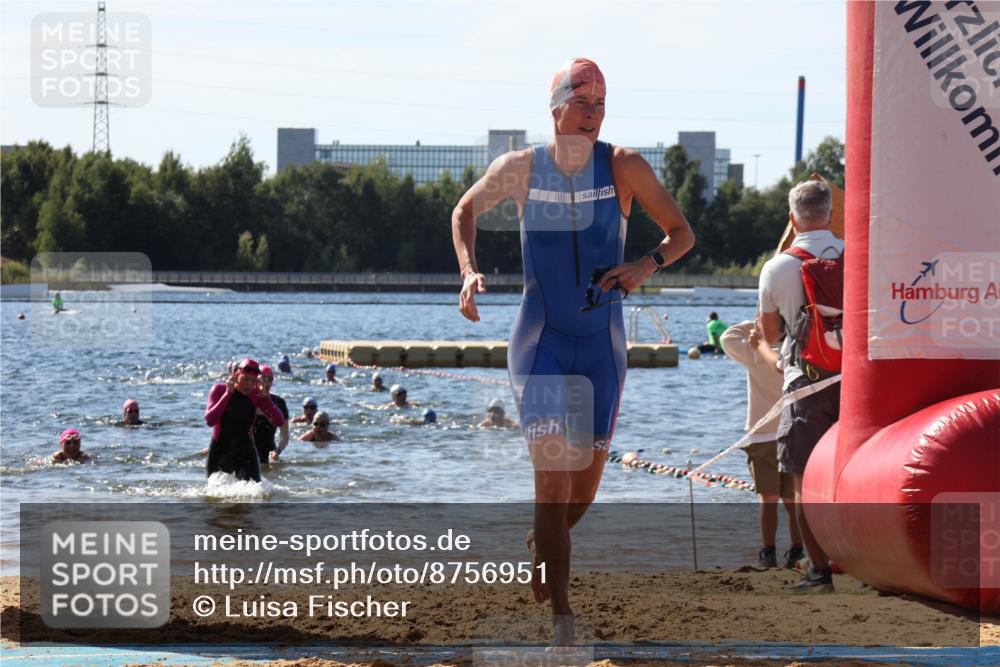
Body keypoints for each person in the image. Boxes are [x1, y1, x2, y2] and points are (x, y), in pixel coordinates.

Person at [451, 57, 694, 646]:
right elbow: (464, 211)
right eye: (583, 105)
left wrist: (645, 264)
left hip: (603, 346)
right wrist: (468, 272)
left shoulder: (625, 165)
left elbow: (682, 234)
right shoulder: (520, 168)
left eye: (601, 107)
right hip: (542, 341)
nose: (593, 117)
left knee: (581, 490)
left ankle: (544, 539)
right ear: (556, 108)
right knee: (552, 484)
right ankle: (563, 616)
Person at [758, 178, 843, 592]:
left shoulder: (776, 267)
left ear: (792, 219)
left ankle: (818, 570)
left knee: (801, 475)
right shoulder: (857, 255)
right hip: (856, 384)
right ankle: (862, 559)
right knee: (853, 472)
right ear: (829, 214)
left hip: (805, 381)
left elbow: (770, 335)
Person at [720, 321, 802, 569]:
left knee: (768, 499)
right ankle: (796, 550)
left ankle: (768, 551)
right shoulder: (792, 352)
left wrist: (754, 323)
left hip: (763, 435)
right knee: (792, 500)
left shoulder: (754, 352)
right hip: (792, 431)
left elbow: (727, 337)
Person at [203, 358, 285, 482]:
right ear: (236, 376)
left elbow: (279, 421)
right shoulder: (218, 390)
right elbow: (210, 420)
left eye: (253, 380)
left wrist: (265, 398)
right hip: (220, 450)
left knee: (256, 491)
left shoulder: (257, 394)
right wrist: (227, 394)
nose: (249, 384)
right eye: (245, 379)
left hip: (246, 451)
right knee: (216, 496)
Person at [253, 365, 290, 463]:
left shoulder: (279, 403)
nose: (266, 383)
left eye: (270, 379)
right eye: (263, 378)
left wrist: (277, 451)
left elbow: (284, 436)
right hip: (248, 453)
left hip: (269, 454)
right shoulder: (249, 400)